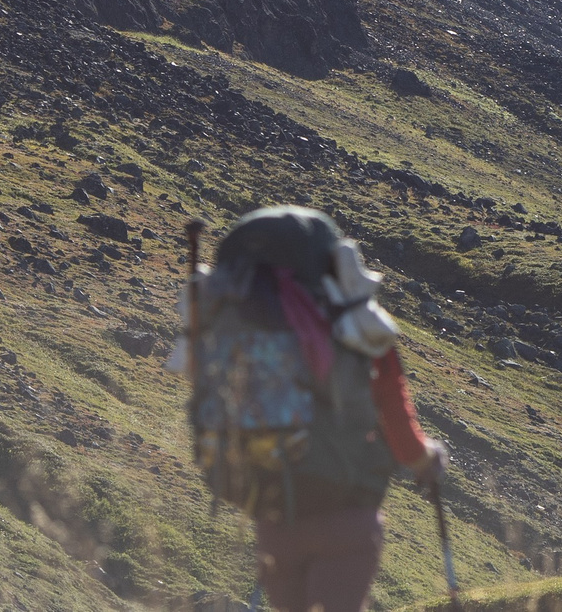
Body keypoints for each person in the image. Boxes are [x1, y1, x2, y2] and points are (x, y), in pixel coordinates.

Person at [185, 205, 445, 612]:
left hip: (274, 522)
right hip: (346, 517)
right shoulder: (357, 326)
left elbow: (203, 398)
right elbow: (400, 428)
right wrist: (428, 459)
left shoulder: (225, 332)